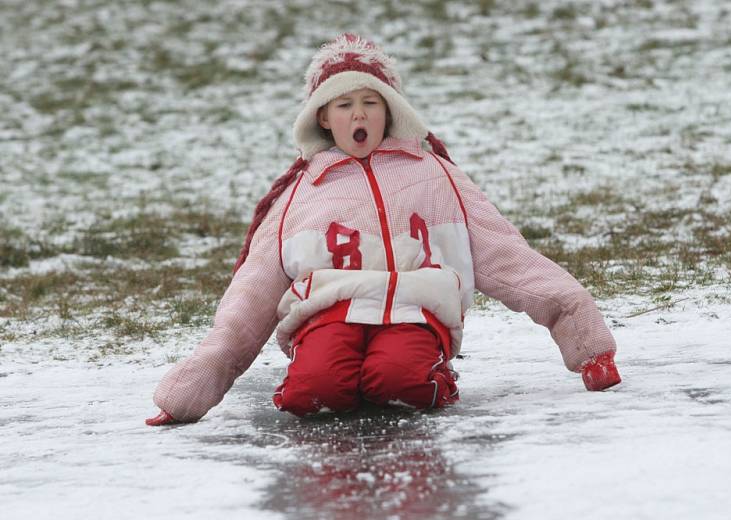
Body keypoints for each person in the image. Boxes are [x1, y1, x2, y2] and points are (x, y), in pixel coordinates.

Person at [146, 34, 621, 426]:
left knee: (399, 381)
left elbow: (509, 259)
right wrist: (189, 393)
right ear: (323, 120)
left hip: (416, 309)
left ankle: (415, 376)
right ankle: (336, 378)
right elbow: (250, 296)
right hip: (327, 313)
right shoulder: (299, 193)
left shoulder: (437, 176)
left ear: (390, 110)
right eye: (344, 105)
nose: (358, 115)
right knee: (313, 392)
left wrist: (588, 345)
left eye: (370, 102)